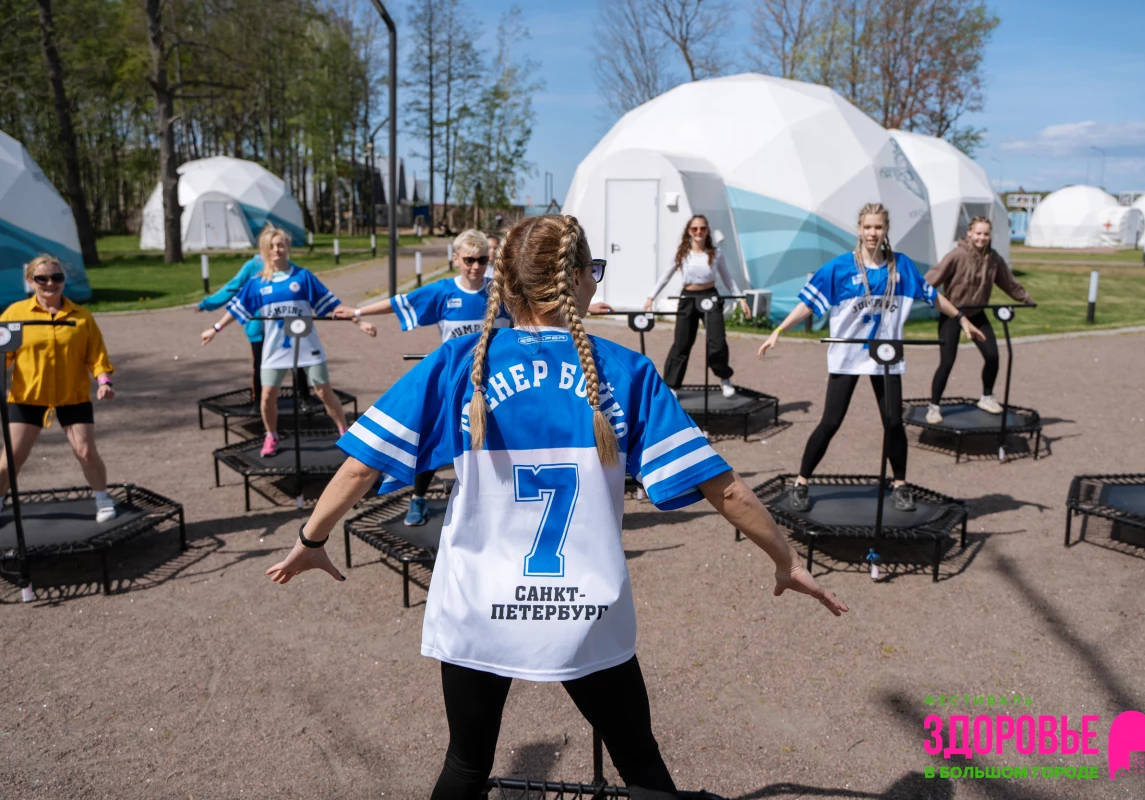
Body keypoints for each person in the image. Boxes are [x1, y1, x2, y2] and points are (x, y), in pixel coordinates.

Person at [266, 214, 848, 800]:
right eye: (592, 270)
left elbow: (361, 466)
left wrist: (311, 541)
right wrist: (784, 558)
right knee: (640, 762)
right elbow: (724, 489)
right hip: (583, 611)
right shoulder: (626, 370)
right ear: (577, 278)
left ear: (506, 285)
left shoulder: (457, 365)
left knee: (466, 766)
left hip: (479, 606)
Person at [757, 203, 984, 512]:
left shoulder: (901, 266)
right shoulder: (839, 267)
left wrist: (962, 319)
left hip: (886, 357)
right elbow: (809, 303)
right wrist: (779, 330)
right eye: (867, 227)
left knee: (893, 422)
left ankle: (900, 484)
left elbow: (933, 296)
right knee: (831, 421)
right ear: (859, 229)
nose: (872, 233)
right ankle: (801, 481)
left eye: (878, 227)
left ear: (886, 230)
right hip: (848, 355)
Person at [337, 229, 509, 525]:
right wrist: (357, 310)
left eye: (482, 259)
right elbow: (399, 302)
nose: (476, 266)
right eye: (469, 259)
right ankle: (417, 499)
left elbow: (540, 304)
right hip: (455, 383)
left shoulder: (502, 291)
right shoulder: (443, 292)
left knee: (498, 443)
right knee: (434, 437)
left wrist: (586, 307)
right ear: (456, 259)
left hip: (498, 384)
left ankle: (500, 502)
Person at [200, 225, 376, 458]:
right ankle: (271, 436)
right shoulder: (257, 284)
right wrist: (215, 328)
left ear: (288, 247)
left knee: (323, 391)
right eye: (271, 246)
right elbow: (237, 309)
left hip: (307, 347)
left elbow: (333, 306)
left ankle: (345, 433)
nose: (277, 250)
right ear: (264, 250)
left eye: (281, 245)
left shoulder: (303, 277)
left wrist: (360, 321)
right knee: (267, 397)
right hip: (275, 349)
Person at [0, 256, 117, 522]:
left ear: (63, 281)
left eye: (57, 278)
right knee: (9, 461)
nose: (50, 284)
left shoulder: (81, 317)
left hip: (72, 398)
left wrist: (104, 382)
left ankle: (102, 499)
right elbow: (1, 357)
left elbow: (96, 356)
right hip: (27, 398)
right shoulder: (14, 315)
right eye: (42, 279)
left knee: (86, 452)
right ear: (31, 282)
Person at [921, 216, 1034, 423]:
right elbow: (934, 276)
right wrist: (916, 290)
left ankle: (987, 397)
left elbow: (1009, 283)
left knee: (993, 356)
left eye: (986, 234)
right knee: (947, 362)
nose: (982, 237)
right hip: (953, 314)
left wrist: (1026, 299)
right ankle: (934, 406)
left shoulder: (993, 259)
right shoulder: (957, 255)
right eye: (978, 233)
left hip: (977, 313)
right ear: (970, 233)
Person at [644, 215, 751, 398]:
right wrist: (651, 297)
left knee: (717, 341)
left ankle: (724, 378)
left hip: (710, 297)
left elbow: (727, 278)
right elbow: (666, 276)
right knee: (682, 343)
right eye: (694, 229)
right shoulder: (682, 253)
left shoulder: (715, 253)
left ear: (707, 231)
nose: (699, 232)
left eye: (702, 228)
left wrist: (741, 299)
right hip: (688, 298)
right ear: (689, 231)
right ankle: (672, 385)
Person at [196, 253, 310, 402]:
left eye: (280, 245)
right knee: (261, 365)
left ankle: (304, 399)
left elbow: (306, 292)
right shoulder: (253, 266)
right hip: (258, 326)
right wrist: (209, 303)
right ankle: (259, 402)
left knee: (296, 362)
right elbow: (233, 288)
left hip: (284, 326)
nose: (275, 250)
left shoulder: (290, 267)